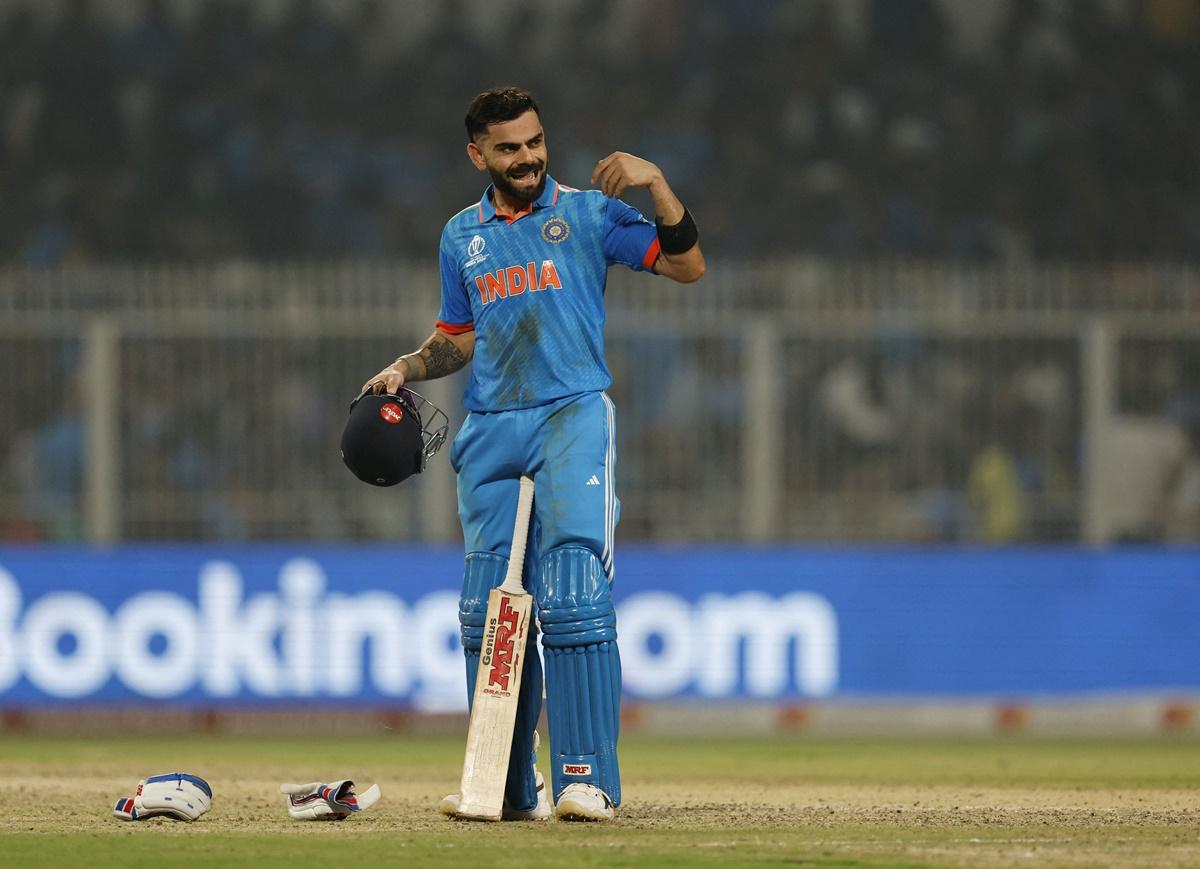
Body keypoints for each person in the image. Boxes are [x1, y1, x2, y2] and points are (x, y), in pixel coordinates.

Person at [362, 86, 704, 821]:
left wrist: (659, 186)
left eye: (534, 142)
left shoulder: (587, 212)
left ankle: (588, 779)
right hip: (491, 428)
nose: (527, 158)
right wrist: (407, 367)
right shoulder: (462, 235)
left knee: (574, 595)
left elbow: (687, 266)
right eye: (509, 147)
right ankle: (511, 789)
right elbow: (457, 337)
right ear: (478, 153)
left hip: (572, 416)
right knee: (486, 617)